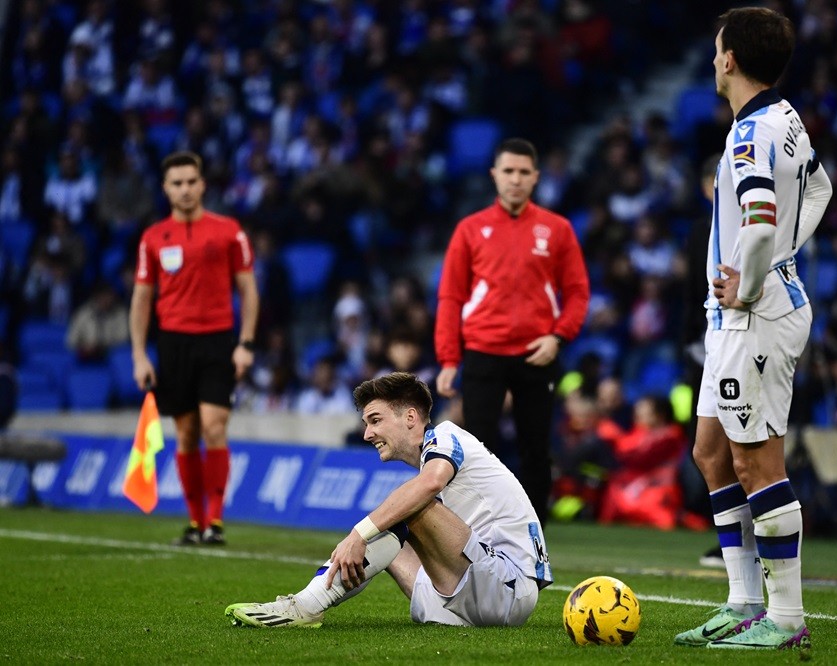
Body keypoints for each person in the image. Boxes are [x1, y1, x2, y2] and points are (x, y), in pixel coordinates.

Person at [673, 8, 832, 651]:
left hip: (756, 318)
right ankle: (742, 602)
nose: (713, 61)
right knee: (710, 453)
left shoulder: (746, 140)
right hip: (736, 319)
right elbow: (820, 189)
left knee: (755, 461)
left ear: (731, 59)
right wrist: (779, 257)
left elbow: (762, 224)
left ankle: (786, 617)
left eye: (716, 52)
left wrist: (755, 277)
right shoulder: (784, 118)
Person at [225, 372, 552, 628]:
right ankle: (309, 601)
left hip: (508, 588)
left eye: (375, 420)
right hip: (476, 591)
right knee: (394, 536)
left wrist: (359, 533)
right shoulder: (437, 454)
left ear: (411, 417)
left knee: (406, 508)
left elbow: (430, 483)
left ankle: (304, 607)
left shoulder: (447, 434)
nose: (367, 434)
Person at [434, 138, 590, 525]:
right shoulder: (471, 229)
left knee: (535, 449)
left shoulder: (557, 229)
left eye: (523, 172)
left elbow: (578, 292)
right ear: (494, 175)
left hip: (536, 352)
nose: (515, 179)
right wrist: (449, 359)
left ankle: (532, 537)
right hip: (483, 349)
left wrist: (558, 338)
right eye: (508, 171)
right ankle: (476, 529)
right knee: (477, 447)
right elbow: (450, 296)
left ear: (536, 177)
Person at [129, 150, 259, 546]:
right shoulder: (153, 238)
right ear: (166, 189)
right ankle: (196, 521)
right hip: (173, 344)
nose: (185, 189)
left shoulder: (228, 231)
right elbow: (141, 299)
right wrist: (139, 354)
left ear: (202, 185)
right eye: (177, 183)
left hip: (218, 340)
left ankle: (215, 521)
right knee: (185, 434)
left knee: (214, 426)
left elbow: (248, 290)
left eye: (191, 181)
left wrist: (246, 343)